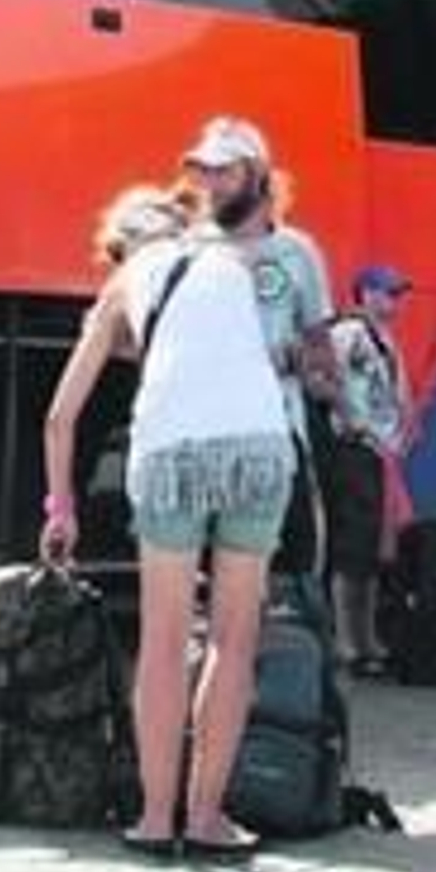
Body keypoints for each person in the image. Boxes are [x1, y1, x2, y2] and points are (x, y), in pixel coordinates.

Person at [39, 178, 293, 860]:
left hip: (171, 451)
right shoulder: (230, 259)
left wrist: (61, 509)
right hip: (259, 446)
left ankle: (155, 819)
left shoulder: (124, 280)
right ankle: (207, 818)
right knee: (233, 640)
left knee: (163, 639)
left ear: (119, 247)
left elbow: (61, 417)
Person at [178, 116, 337, 576]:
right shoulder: (186, 250)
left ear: (257, 175)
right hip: (201, 441)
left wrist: (298, 362)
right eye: (206, 172)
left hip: (276, 437)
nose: (212, 185)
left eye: (224, 171)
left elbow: (321, 350)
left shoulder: (297, 252)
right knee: (209, 581)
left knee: (289, 575)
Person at [324, 263, 414, 674]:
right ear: (366, 294)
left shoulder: (386, 340)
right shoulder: (348, 334)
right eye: (387, 293)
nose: (394, 302)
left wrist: (404, 426)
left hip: (382, 449)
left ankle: (368, 637)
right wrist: (351, 419)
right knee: (353, 546)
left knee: (376, 548)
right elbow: (329, 377)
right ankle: (347, 639)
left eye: (396, 294)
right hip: (356, 446)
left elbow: (397, 392)